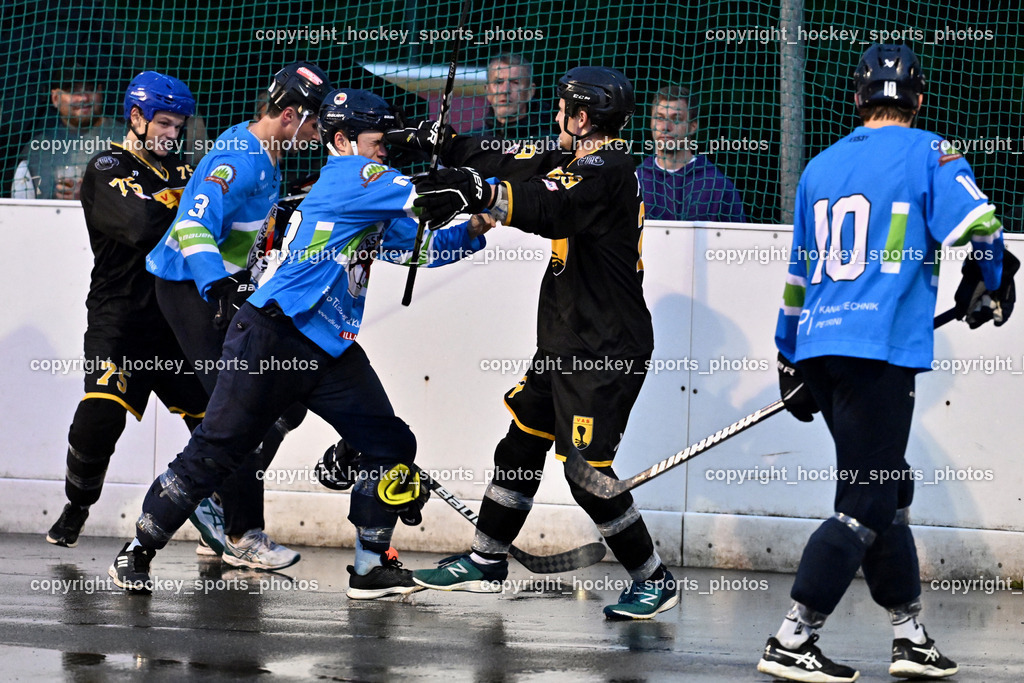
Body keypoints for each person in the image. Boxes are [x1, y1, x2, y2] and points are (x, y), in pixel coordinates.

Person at [108, 87, 490, 599]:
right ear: (342, 140)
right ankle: (137, 551)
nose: (388, 149)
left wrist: (478, 225)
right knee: (218, 450)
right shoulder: (355, 174)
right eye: (381, 140)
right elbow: (430, 196)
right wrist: (485, 179)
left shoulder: (371, 187)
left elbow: (418, 245)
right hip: (272, 334)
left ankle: (371, 566)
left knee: (390, 444)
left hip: (328, 347)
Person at [760, 44, 1014, 682]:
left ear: (857, 99)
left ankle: (909, 634)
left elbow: (799, 273)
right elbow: (982, 224)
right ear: (919, 101)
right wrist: (992, 279)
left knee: (887, 489)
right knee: (868, 499)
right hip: (877, 356)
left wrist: (788, 356)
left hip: (819, 346)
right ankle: (794, 637)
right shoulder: (932, 151)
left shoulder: (819, 166)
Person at [387, 66, 678, 620]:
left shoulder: (605, 168)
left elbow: (549, 208)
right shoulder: (574, 157)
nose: (555, 116)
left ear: (583, 117)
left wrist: (483, 195)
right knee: (521, 441)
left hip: (604, 351)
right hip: (567, 343)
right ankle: (487, 559)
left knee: (587, 475)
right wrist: (449, 146)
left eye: (563, 108)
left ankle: (653, 578)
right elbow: (510, 163)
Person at [143, 62, 331, 570]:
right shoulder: (239, 158)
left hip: (220, 290)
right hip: (190, 288)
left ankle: (220, 510)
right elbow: (190, 225)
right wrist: (218, 285)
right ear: (289, 116)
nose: (318, 135)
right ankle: (243, 533)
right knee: (240, 409)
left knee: (285, 403)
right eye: (314, 125)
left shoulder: (267, 154)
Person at [45, 72, 208, 548]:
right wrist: (191, 211)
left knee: (222, 427)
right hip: (119, 320)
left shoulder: (184, 171)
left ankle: (222, 523)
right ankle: (78, 504)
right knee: (99, 418)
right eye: (163, 123)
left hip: (178, 323)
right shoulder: (105, 166)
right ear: (136, 117)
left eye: (178, 127)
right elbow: (141, 226)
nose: (172, 136)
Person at [12, 57, 122, 200]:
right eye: (73, 91)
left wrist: (91, 197)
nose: (83, 98)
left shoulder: (126, 139)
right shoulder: (36, 150)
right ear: (56, 98)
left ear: (100, 92)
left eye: (90, 89)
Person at [635, 85, 745, 222]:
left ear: (693, 126)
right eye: (659, 118)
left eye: (676, 119)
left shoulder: (717, 186)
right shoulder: (636, 181)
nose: (665, 127)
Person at [465, 53, 553, 142]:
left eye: (515, 82)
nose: (505, 90)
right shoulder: (468, 143)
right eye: (499, 82)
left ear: (530, 92)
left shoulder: (551, 144)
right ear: (487, 90)